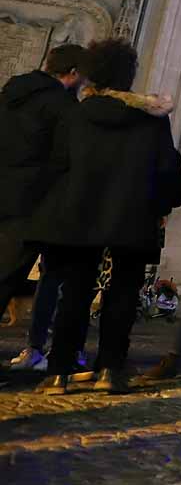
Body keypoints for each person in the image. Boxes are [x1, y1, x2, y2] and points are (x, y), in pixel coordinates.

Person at [26, 39, 181, 395]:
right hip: (131, 218)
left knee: (75, 294)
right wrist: (163, 205)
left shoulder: (75, 115)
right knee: (122, 296)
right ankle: (111, 369)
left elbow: (57, 167)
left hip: (79, 215)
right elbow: (166, 169)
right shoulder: (151, 120)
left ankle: (59, 372)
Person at [0, 44, 86, 355]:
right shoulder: (62, 107)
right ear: (74, 73)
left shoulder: (12, 94)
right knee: (5, 277)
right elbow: (65, 160)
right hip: (27, 206)